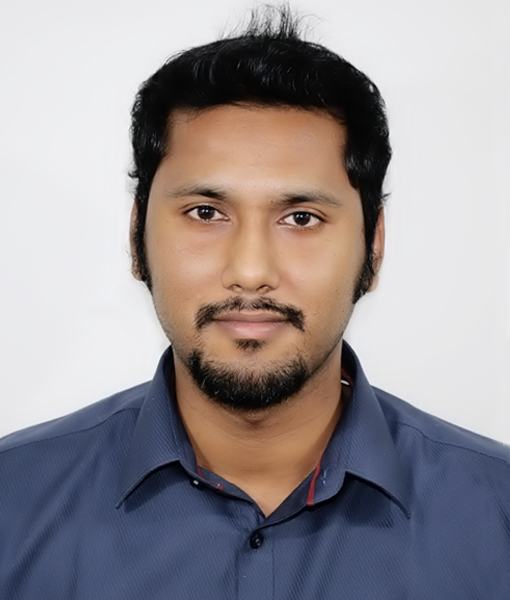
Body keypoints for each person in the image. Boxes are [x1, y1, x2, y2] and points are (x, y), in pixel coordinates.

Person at [1, 7, 509, 599]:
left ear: (372, 247)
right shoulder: (12, 503)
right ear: (137, 238)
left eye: (301, 218)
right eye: (205, 213)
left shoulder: (496, 515)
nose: (250, 271)